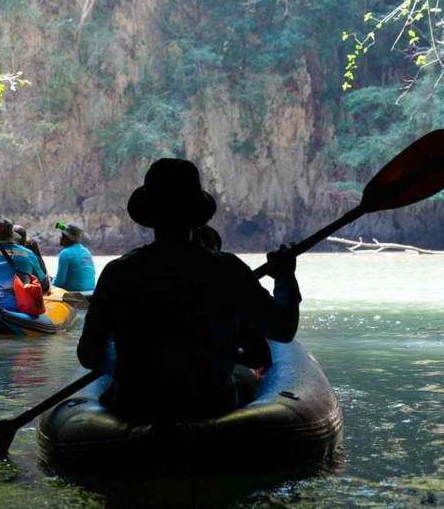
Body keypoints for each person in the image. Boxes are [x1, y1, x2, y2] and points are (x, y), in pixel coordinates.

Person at [77, 158, 300, 423]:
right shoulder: (227, 269)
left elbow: (90, 354)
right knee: (243, 375)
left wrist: (119, 369)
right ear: (196, 217)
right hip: (210, 404)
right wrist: (284, 277)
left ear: (150, 216)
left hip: (136, 404)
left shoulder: (119, 271)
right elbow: (283, 330)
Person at [52, 222, 97, 293]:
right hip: (91, 292)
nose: (60, 238)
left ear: (68, 238)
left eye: (62, 235)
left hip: (74, 293)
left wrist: (50, 280)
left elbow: (59, 282)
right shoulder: (86, 251)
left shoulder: (65, 253)